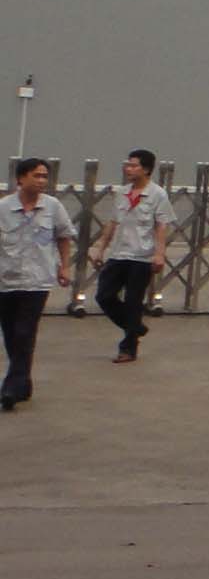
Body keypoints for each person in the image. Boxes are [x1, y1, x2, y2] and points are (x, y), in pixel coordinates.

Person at [4, 157, 78, 411]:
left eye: (45, 176)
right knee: (11, 334)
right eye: (36, 175)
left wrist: (65, 266)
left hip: (37, 281)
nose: (41, 181)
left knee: (24, 332)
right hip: (6, 280)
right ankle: (23, 382)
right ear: (21, 178)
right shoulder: (3, 208)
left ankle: (10, 388)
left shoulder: (53, 206)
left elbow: (64, 236)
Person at [89, 148, 173, 364]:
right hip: (119, 254)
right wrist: (100, 248)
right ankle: (135, 327)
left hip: (141, 257)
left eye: (134, 165)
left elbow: (161, 226)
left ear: (146, 169)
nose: (128, 169)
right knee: (104, 296)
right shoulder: (122, 192)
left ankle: (128, 348)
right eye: (128, 165)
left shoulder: (157, 194)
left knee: (133, 301)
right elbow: (113, 222)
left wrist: (159, 254)